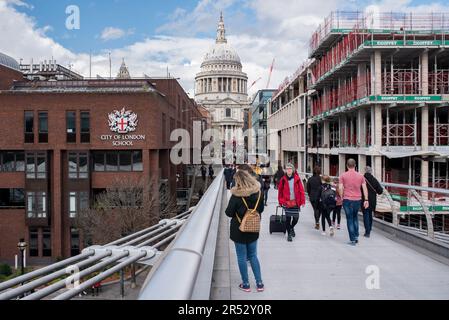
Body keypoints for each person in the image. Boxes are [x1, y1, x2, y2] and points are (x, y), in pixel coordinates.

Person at [225, 170, 265, 293]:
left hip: (239, 230)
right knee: (253, 255)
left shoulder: (236, 196)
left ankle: (246, 284)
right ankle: (259, 283)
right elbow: (261, 209)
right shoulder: (258, 193)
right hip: (253, 228)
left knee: (242, 257)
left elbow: (229, 213)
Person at [339, 159, 369, 246]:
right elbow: (364, 188)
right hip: (357, 200)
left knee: (349, 219)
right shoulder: (361, 176)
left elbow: (340, 188)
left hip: (347, 199)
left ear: (347, 166)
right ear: (355, 165)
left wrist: (341, 196)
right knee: (355, 217)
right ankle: (356, 236)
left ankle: (352, 239)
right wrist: (366, 200)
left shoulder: (343, 176)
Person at [278, 163, 306, 242]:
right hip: (287, 202)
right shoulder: (283, 179)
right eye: (287, 168)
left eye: (290, 168)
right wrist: (280, 202)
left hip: (295, 202)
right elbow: (280, 192)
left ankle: (291, 227)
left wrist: (303, 201)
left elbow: (301, 191)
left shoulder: (297, 179)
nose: (288, 170)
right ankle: (289, 234)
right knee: (288, 218)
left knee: (296, 218)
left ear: (293, 170)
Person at [362, 166, 384, 238]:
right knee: (370, 214)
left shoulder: (362, 179)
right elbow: (380, 191)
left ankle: (367, 231)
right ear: (371, 171)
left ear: (365, 171)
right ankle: (370, 228)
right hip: (372, 200)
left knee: (365, 214)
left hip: (364, 199)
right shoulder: (374, 179)